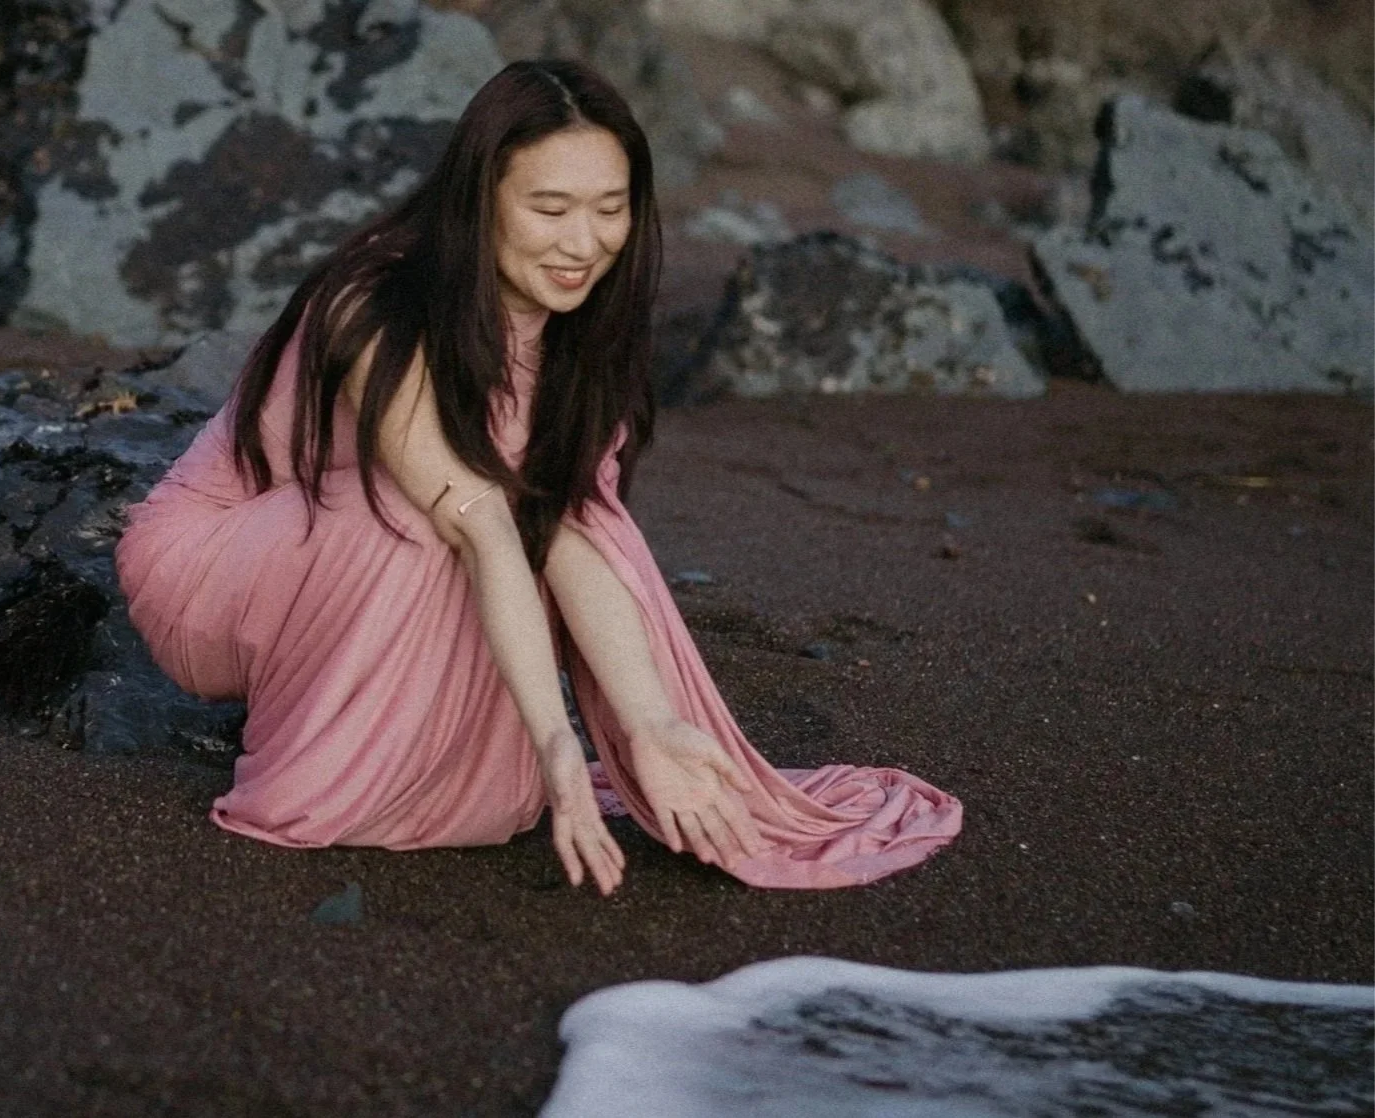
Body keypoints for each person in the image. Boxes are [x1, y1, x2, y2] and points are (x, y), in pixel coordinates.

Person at [116, 60, 961, 896]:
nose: (583, 243)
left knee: (588, 520)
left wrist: (651, 722)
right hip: (213, 566)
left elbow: (559, 532)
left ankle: (462, 766)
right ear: (479, 203)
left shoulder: (576, 330)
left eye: (609, 209)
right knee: (427, 512)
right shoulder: (379, 301)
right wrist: (558, 745)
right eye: (549, 209)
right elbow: (483, 522)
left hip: (354, 553)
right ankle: (326, 776)